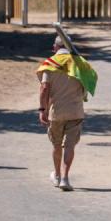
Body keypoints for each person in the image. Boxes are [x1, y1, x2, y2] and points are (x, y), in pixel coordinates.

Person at [37, 36, 86, 192]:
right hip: (75, 111)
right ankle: (65, 178)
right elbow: (87, 85)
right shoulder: (79, 63)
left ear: (56, 47)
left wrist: (42, 109)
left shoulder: (51, 64)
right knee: (70, 146)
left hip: (56, 112)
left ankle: (57, 175)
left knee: (56, 144)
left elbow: (44, 88)